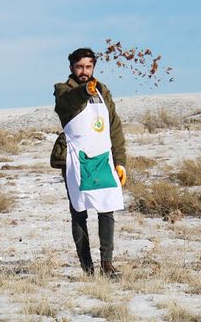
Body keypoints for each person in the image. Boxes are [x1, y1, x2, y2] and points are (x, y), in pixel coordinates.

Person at [51, 48, 127, 278]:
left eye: (88, 67)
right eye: (79, 67)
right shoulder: (63, 90)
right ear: (72, 67)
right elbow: (68, 104)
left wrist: (121, 161)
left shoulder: (102, 90)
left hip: (103, 158)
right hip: (76, 160)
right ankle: (87, 267)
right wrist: (85, 90)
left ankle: (107, 264)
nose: (84, 72)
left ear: (93, 67)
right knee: (79, 211)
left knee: (107, 208)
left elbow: (114, 126)